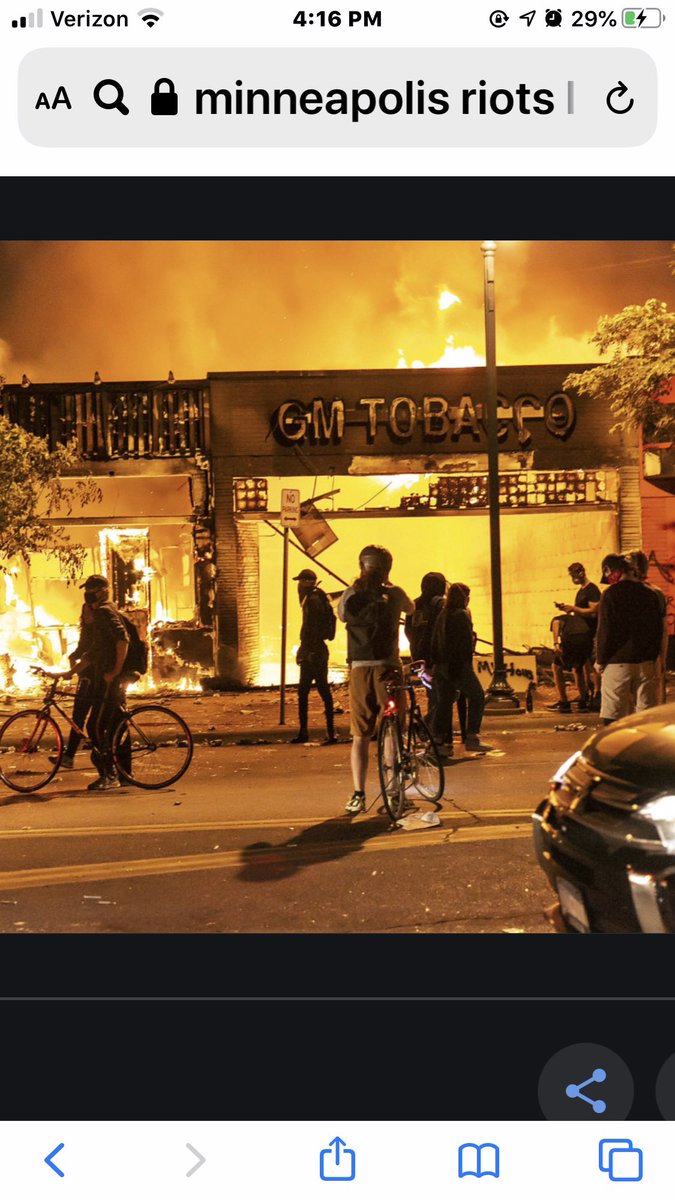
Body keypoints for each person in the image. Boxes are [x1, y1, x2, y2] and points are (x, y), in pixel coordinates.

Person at [338, 545, 413, 815]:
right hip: (389, 668)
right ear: (387, 568)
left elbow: (342, 615)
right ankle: (394, 792)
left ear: (362, 566)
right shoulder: (395, 594)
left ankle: (358, 793)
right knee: (393, 731)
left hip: (359, 670)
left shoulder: (350, 595)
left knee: (360, 735)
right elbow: (411, 608)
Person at [76, 574, 130, 791]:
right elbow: (95, 650)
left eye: (92, 589)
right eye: (87, 588)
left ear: (103, 591)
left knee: (95, 726)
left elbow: (122, 639)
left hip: (111, 680)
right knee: (113, 725)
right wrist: (67, 672)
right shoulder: (99, 614)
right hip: (105, 678)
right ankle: (121, 773)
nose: (87, 593)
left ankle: (110, 776)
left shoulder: (106, 612)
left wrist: (115, 671)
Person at [595, 553, 663, 724]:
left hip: (617, 662)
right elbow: (657, 629)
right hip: (645, 662)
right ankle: (645, 749)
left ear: (609, 570)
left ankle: (616, 750)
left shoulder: (610, 594)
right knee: (646, 716)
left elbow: (606, 630)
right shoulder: (651, 594)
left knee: (614, 714)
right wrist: (653, 658)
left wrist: (601, 659)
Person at [429, 582, 486, 754]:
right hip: (457, 665)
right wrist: (466, 667)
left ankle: (437, 741)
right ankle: (472, 736)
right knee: (477, 696)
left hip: (441, 666)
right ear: (465, 598)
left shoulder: (443, 614)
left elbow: (434, 641)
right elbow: (465, 645)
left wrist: (435, 665)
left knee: (444, 703)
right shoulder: (462, 615)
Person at [290, 567, 337, 745]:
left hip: (313, 651)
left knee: (305, 692)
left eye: (301, 581)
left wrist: (307, 651)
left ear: (308, 582)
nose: (299, 586)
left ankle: (306, 732)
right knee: (323, 691)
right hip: (317, 650)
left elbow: (312, 627)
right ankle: (329, 732)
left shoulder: (313, 600)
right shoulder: (318, 597)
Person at [546, 561, 600, 713]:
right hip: (583, 630)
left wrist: (573, 608)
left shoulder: (592, 589)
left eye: (573, 576)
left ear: (580, 573)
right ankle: (583, 698)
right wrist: (569, 609)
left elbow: (594, 611)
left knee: (585, 666)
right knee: (579, 666)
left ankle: (569, 701)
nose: (572, 579)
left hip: (588, 631)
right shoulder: (582, 590)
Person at [49, 600, 96, 768]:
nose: (86, 616)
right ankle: (69, 756)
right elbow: (80, 650)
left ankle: (101, 757)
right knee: (78, 718)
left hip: (94, 681)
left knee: (85, 719)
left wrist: (71, 672)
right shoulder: (86, 631)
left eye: (89, 612)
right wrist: (71, 658)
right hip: (85, 679)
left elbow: (89, 657)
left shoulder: (98, 631)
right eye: (84, 613)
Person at [627, 549, 669, 704]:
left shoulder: (618, 592)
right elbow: (662, 628)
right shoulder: (656, 593)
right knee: (648, 701)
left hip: (632, 655)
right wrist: (662, 658)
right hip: (646, 655)